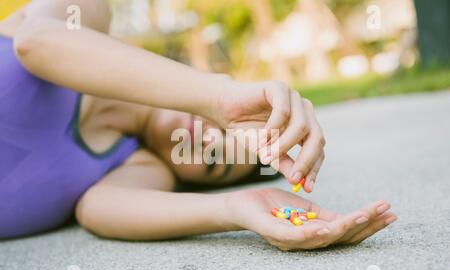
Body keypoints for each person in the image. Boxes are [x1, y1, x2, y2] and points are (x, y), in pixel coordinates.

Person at [0, 0, 396, 250]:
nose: (206, 140)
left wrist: (236, 208)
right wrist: (218, 97)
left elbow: (97, 210)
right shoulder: (89, 14)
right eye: (225, 129)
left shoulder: (136, 168)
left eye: (214, 161)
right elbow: (35, 43)